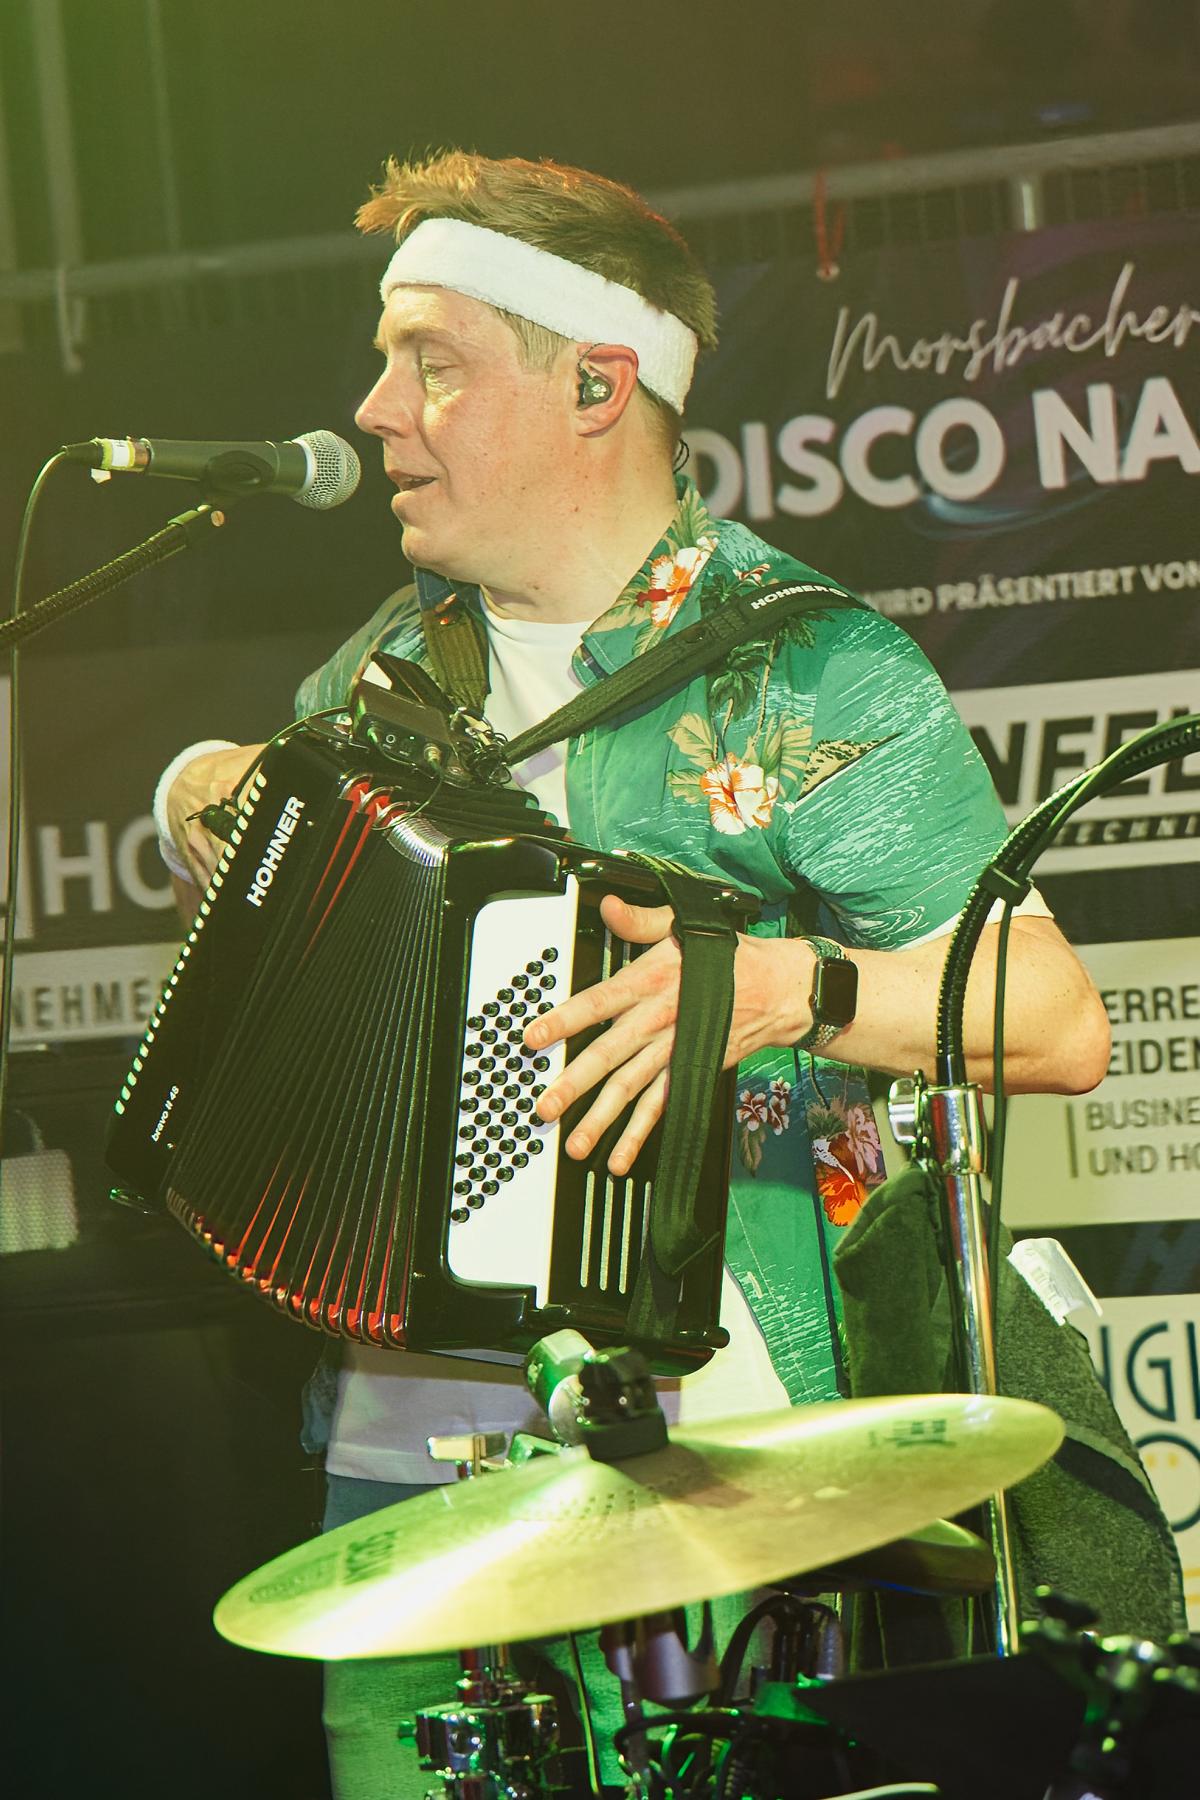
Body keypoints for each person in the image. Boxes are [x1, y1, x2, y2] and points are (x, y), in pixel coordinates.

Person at [156, 151, 1112, 1798]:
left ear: (598, 386)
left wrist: (780, 995)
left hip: (730, 1455)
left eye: (431, 363)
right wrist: (193, 794)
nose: (375, 413)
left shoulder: (806, 669)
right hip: (410, 1470)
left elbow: (1056, 1017)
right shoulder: (379, 676)